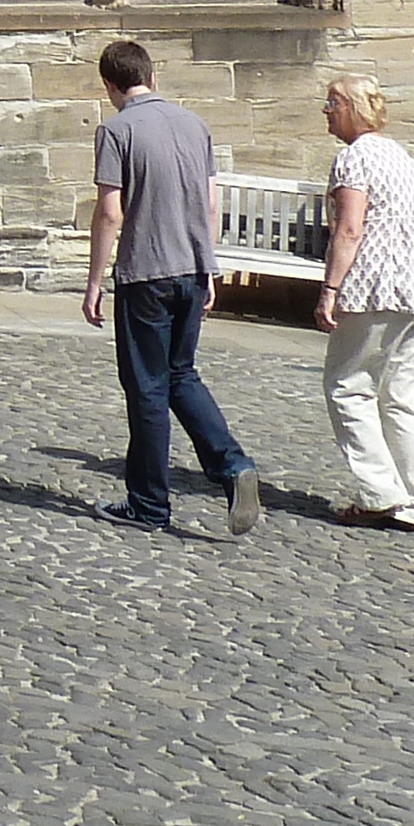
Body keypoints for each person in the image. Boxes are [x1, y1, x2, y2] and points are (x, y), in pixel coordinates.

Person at [82, 38, 263, 533]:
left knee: (146, 387)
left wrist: (95, 280)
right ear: (152, 76)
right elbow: (209, 204)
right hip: (190, 266)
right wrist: (210, 268)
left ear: (111, 85)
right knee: (182, 375)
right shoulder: (194, 124)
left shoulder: (116, 130)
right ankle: (234, 466)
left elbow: (110, 211)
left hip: (146, 272)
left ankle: (149, 504)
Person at [314, 73, 414, 530]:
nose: (326, 111)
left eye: (332, 102)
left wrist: (329, 289)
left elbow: (350, 229)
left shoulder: (354, 159)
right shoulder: (404, 158)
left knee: (348, 386)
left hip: (377, 286)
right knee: (399, 396)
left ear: (353, 108)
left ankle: (379, 494)